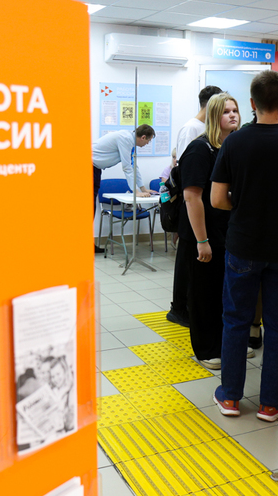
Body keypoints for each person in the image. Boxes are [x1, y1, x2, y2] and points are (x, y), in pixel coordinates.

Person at [210, 71, 278, 421]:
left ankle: (230, 398)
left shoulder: (234, 142)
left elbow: (217, 199)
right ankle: (271, 402)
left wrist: (244, 203)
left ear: (252, 103)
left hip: (243, 245)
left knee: (236, 321)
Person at [177, 93, 240, 369]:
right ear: (214, 116)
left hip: (227, 230)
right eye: (226, 111)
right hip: (202, 232)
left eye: (235, 110)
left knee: (223, 292)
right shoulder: (200, 149)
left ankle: (224, 344)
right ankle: (206, 350)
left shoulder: (232, 148)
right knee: (204, 293)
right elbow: (192, 197)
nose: (233, 115)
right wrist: (202, 240)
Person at [168, 85, 223, 328]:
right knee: (187, 259)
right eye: (224, 108)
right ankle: (179, 308)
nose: (229, 114)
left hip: (206, 206)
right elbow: (185, 172)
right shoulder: (193, 129)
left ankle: (190, 306)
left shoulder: (216, 133)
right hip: (192, 202)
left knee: (196, 264)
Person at [92, 125, 155, 253]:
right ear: (143, 137)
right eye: (148, 141)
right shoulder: (125, 139)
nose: (147, 144)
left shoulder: (130, 142)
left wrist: (143, 189)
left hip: (95, 168)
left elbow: (133, 166)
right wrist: (135, 192)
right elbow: (127, 167)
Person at [49, 356, 76, 431]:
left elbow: (71, 423)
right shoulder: (54, 390)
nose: (55, 379)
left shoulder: (72, 390)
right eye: (53, 376)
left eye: (58, 374)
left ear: (65, 372)